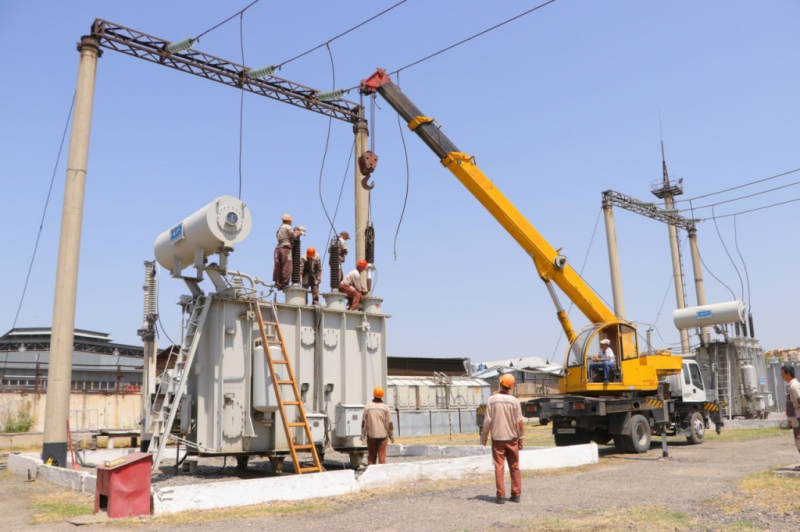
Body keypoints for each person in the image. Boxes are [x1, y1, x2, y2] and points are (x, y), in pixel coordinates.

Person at [481, 374, 524, 504]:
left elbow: (487, 420)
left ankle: (500, 496)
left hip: (498, 439)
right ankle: (516, 495)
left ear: (500, 384)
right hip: (512, 438)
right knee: (514, 466)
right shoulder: (515, 401)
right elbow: (520, 423)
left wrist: (484, 436)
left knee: (499, 467)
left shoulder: (492, 400)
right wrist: (521, 438)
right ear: (511, 387)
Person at [360, 386, 394, 465]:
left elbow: (363, 423)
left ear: (373, 395)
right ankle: (381, 474)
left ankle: (371, 474)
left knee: (371, 456)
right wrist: (391, 436)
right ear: (382, 395)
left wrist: (362, 435)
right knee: (382, 455)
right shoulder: (386, 408)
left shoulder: (367, 407)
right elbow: (390, 424)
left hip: (371, 435)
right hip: (383, 435)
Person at [273, 214, 304, 290]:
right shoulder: (288, 227)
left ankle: (278, 283)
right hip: (286, 248)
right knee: (287, 266)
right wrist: (300, 233)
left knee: (278, 266)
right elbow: (294, 236)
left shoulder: (279, 228)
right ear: (289, 221)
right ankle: (284, 284)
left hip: (278, 248)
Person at [781, 364, 800, 465]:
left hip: (798, 417)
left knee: (799, 439)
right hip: (794, 418)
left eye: (782, 373)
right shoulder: (789, 386)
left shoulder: (794, 386)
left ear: (788, 374)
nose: (781, 376)